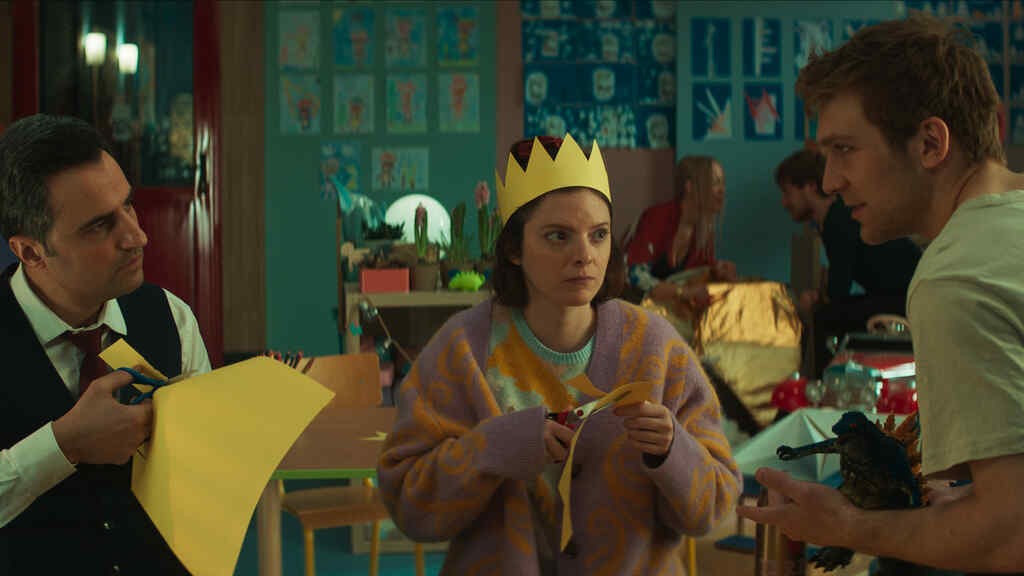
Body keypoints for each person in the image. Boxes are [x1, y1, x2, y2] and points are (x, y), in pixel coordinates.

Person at [737, 14, 1024, 574]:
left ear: (930, 143)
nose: (830, 181)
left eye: (845, 149)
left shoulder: (956, 278)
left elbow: (1008, 535)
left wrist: (844, 526)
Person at [377, 134, 740, 575]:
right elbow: (409, 505)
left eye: (598, 235)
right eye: (558, 236)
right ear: (514, 248)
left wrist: (671, 451)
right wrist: (491, 447)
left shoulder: (656, 348)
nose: (584, 255)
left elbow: (715, 507)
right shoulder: (463, 350)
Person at [0, 114, 211, 575]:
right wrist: (64, 444)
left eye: (128, 205)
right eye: (99, 226)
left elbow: (208, 484)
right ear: (31, 252)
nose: (137, 236)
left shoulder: (172, 318)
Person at [776, 148, 922, 375]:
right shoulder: (835, 217)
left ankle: (821, 383)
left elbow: (839, 291)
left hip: (907, 298)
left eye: (787, 192)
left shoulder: (837, 220)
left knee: (825, 316)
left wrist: (816, 301)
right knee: (829, 311)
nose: (784, 202)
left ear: (811, 187)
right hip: (901, 294)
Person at [625, 155, 737, 309]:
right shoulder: (657, 217)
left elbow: (697, 276)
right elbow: (634, 276)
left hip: (667, 312)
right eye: (714, 183)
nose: (722, 191)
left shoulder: (704, 230)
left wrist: (716, 272)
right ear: (689, 187)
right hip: (633, 309)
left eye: (723, 183)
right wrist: (683, 292)